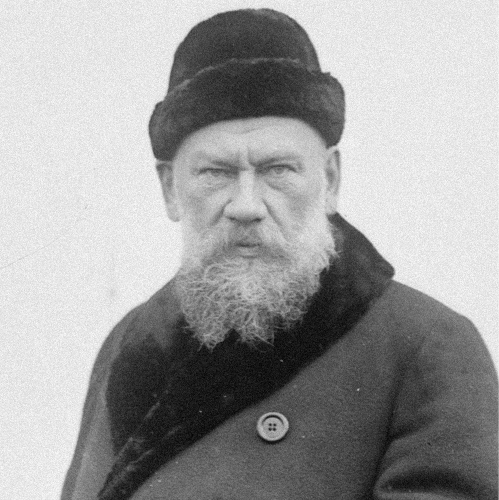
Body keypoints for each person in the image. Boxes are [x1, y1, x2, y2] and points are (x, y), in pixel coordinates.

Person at [61, 9, 497, 500]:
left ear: (329, 180)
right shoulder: (128, 344)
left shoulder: (427, 346)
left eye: (278, 170)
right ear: (169, 190)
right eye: (215, 173)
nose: (246, 206)